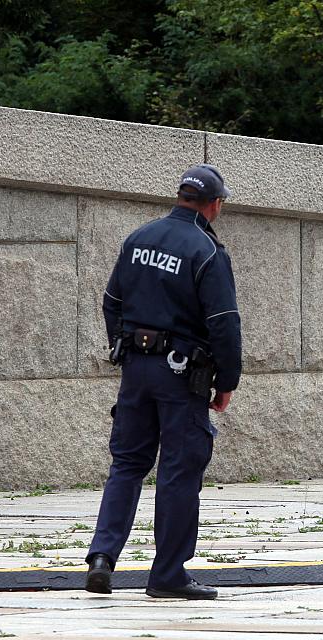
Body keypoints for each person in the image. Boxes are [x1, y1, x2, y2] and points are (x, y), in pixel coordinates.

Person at [84, 164, 242, 600]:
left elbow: (112, 301)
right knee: (178, 471)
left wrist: (123, 346)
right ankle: (168, 575)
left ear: (180, 197)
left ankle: (102, 557)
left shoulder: (138, 239)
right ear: (214, 204)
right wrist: (226, 379)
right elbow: (223, 323)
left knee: (128, 464)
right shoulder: (206, 250)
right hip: (180, 375)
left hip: (135, 369)